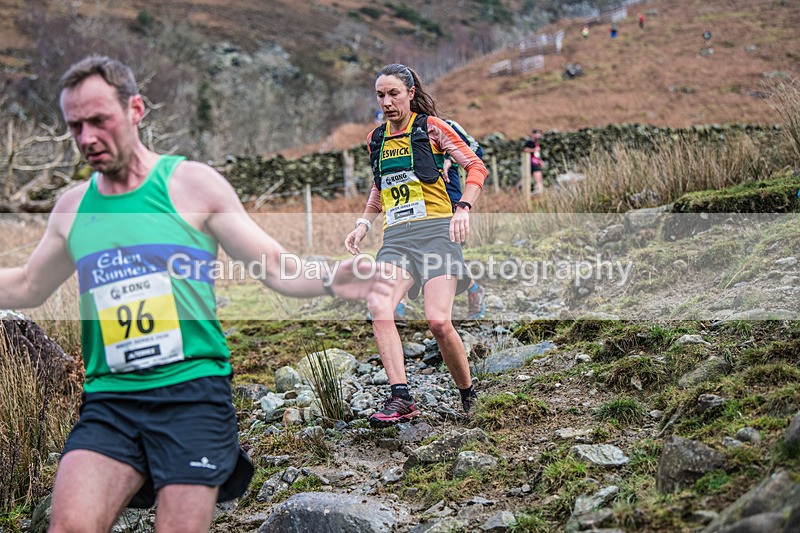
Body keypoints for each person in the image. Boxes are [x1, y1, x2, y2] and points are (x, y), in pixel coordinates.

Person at [0, 55, 390, 532]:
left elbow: (273, 265)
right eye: (75, 126)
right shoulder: (73, 208)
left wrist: (331, 275)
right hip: (110, 401)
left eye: (98, 121)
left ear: (135, 109)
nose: (86, 139)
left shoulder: (192, 186)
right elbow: (28, 285)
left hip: (191, 396)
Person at [344, 63, 488, 426]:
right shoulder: (375, 139)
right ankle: (401, 396)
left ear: (410, 93)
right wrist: (363, 223)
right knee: (379, 306)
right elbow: (381, 186)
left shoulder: (432, 128)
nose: (387, 102)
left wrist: (463, 209)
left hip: (438, 232)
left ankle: (467, 393)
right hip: (397, 238)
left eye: (394, 94)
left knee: (438, 322)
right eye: (381, 95)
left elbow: (476, 167)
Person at [442, 118, 486, 320]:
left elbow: (476, 149)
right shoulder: (397, 132)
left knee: (446, 251)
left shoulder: (445, 125)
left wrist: (451, 158)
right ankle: (397, 308)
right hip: (414, 204)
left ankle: (473, 288)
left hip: (448, 198)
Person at [521, 129, 545, 195]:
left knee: (535, 177)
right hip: (532, 163)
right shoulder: (530, 142)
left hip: (536, 162)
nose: (538, 136)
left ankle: (516, 189)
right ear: (533, 134)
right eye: (537, 134)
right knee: (537, 178)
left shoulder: (536, 142)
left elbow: (537, 154)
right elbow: (524, 149)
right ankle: (540, 192)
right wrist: (533, 150)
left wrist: (540, 161)